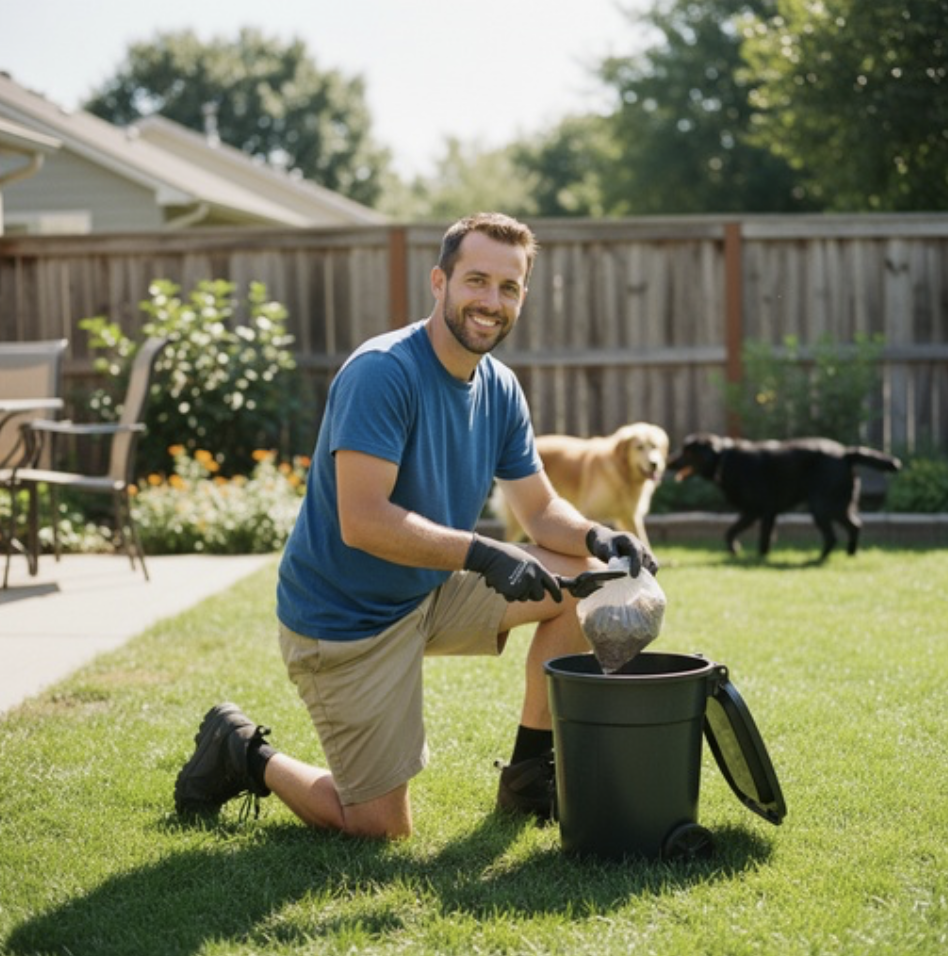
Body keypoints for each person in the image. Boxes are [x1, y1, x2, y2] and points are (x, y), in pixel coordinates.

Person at [175, 212, 657, 839]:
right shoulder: (384, 372)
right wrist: (483, 554)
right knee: (379, 829)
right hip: (345, 622)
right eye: (476, 281)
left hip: (424, 588)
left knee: (583, 585)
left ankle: (529, 776)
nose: (491, 301)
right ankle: (241, 751)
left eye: (508, 287)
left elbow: (539, 510)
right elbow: (364, 522)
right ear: (440, 282)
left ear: (522, 296)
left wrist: (599, 537)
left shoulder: (500, 386)